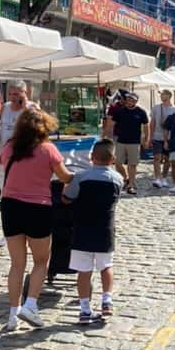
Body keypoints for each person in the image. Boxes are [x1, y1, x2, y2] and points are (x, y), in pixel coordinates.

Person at [0, 108, 74, 331]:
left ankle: (13, 314)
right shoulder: (48, 150)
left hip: (10, 206)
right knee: (41, 261)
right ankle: (30, 305)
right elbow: (64, 177)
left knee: (16, 264)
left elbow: (6, 167)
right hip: (38, 207)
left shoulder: (9, 147)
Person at [62, 138, 123, 323]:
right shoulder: (117, 179)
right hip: (105, 229)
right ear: (112, 159)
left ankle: (84, 309)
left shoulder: (81, 178)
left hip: (82, 229)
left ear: (91, 157)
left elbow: (67, 198)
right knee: (106, 266)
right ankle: (107, 299)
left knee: (84, 271)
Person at [105, 90, 149, 195]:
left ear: (136, 101)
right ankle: (125, 178)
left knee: (132, 164)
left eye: (132, 100)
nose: (130, 101)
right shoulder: (120, 111)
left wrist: (146, 139)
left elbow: (146, 126)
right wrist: (107, 135)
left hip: (134, 142)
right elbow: (111, 124)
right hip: (121, 141)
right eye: (128, 99)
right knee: (118, 163)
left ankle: (131, 185)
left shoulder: (141, 112)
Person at [149, 89, 175, 188]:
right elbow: (152, 123)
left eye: (163, 94)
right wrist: (150, 137)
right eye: (161, 95)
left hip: (169, 137)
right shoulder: (156, 108)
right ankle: (157, 178)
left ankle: (164, 177)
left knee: (167, 159)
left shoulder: (174, 109)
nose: (161, 96)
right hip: (157, 135)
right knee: (157, 157)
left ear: (169, 96)